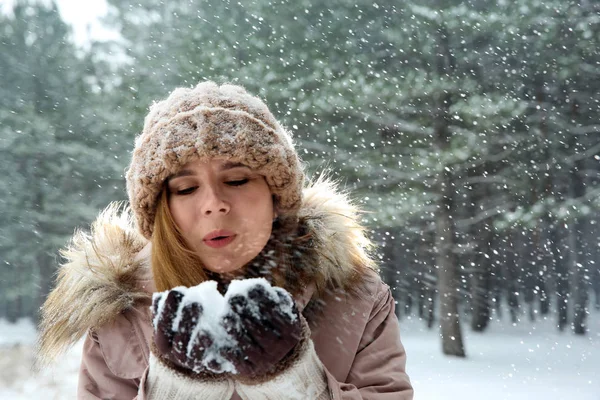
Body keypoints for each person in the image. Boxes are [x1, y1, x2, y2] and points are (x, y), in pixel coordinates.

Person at [36, 81, 414, 399]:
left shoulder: (356, 298)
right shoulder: (117, 316)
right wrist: (175, 389)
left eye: (236, 180)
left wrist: (296, 382)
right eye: (185, 189)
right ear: (162, 211)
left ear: (275, 194)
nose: (214, 204)